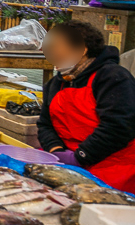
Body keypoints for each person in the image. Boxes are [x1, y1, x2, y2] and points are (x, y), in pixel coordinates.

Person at [39, 20, 135, 192]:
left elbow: (118, 127)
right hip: (69, 158)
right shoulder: (56, 83)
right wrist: (56, 150)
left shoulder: (113, 77)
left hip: (114, 163)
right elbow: (45, 124)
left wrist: (80, 157)